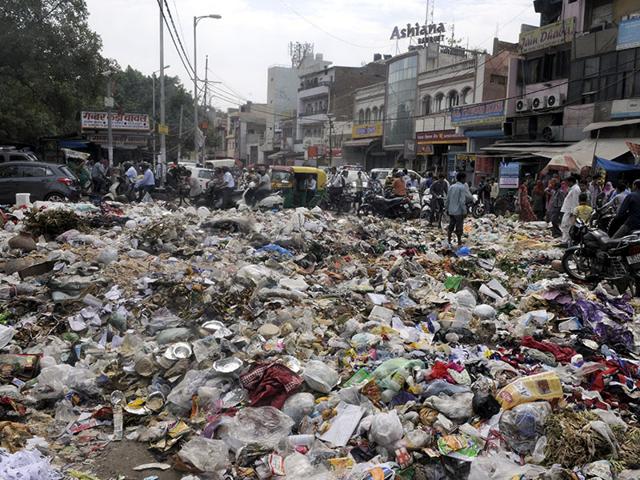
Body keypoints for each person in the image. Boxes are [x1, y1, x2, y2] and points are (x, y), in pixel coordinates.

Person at [445, 172, 473, 245]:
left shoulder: (451, 187)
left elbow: (447, 199)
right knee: (459, 227)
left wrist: (446, 209)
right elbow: (462, 201)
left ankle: (448, 240)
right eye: (465, 178)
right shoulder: (462, 187)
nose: (465, 180)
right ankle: (459, 241)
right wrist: (464, 211)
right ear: (462, 178)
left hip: (451, 210)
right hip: (459, 211)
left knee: (451, 225)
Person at [560, 175, 581, 244]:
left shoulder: (575, 189)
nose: (566, 184)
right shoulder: (573, 188)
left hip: (571, 211)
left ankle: (566, 241)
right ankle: (565, 240)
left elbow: (575, 201)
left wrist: (573, 212)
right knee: (564, 225)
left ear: (571, 182)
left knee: (567, 226)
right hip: (568, 210)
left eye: (567, 182)